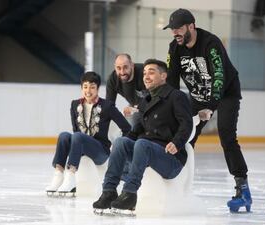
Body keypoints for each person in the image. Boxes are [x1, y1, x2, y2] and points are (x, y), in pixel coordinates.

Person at [163, 8, 252, 212]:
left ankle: (243, 189)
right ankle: (177, 183)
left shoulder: (210, 43)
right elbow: (171, 81)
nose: (174, 33)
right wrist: (170, 106)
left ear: (191, 26)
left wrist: (210, 107)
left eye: (178, 29)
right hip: (197, 95)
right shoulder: (174, 47)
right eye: (172, 29)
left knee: (227, 136)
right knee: (184, 136)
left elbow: (219, 77)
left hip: (226, 92)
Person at [92, 59, 193, 214]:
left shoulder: (176, 96)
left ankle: (130, 193)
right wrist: (121, 146)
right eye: (145, 73)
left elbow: (187, 124)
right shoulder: (145, 100)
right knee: (121, 141)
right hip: (147, 152)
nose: (146, 76)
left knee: (142, 143)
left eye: (151, 72)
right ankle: (109, 190)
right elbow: (136, 131)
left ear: (163, 76)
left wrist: (177, 142)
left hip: (171, 158)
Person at [45, 72, 131, 196]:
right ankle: (58, 175)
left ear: (97, 89)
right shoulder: (75, 105)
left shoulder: (107, 106)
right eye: (85, 87)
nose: (88, 90)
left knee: (78, 136)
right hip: (80, 145)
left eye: (92, 87)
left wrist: (119, 148)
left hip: (100, 151)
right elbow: (75, 130)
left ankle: (71, 175)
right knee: (64, 136)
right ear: (81, 88)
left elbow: (126, 128)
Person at [106, 53, 146, 118]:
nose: (122, 72)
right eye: (118, 68)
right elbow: (109, 106)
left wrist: (135, 108)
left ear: (132, 65)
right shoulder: (112, 79)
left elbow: (154, 99)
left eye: (125, 67)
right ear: (115, 67)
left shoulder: (145, 73)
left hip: (154, 107)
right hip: (135, 106)